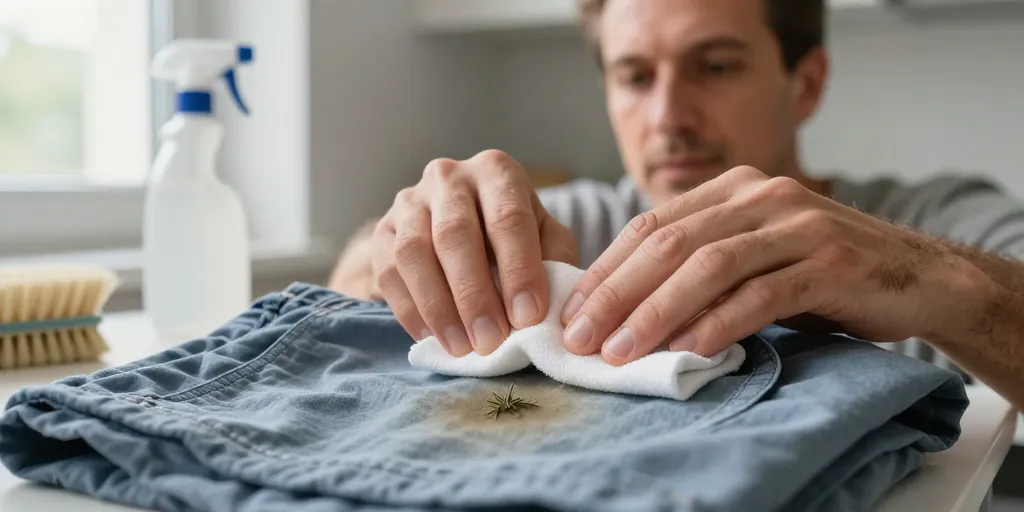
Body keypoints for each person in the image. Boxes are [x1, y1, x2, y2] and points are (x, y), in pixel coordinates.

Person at [329, 0, 1024, 410]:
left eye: (715, 66)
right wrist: (404, 239)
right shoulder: (565, 232)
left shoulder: (938, 219)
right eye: (634, 77)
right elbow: (350, 285)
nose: (668, 117)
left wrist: (920, 276)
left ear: (805, 84)